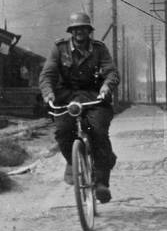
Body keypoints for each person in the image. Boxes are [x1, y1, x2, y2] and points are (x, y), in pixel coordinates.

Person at [39, 12, 120, 203]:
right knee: (63, 131)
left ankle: (101, 183)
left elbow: (111, 72)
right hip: (67, 98)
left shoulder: (99, 49)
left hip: (94, 98)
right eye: (75, 29)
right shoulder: (59, 49)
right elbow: (47, 74)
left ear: (89, 31)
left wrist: (106, 86)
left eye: (83, 28)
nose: (79, 33)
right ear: (71, 31)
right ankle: (71, 162)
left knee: (98, 132)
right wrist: (48, 93)